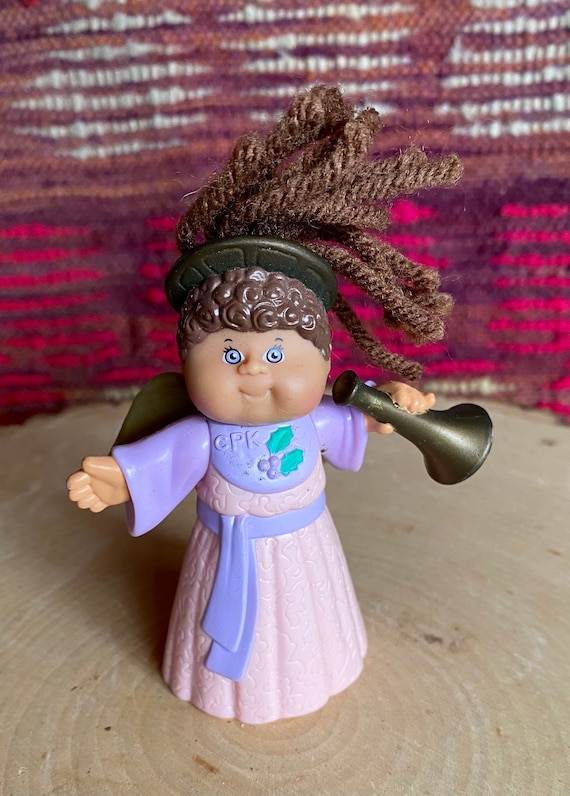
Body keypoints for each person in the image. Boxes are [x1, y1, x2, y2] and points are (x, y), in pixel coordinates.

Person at [67, 85, 461, 723]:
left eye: (276, 353)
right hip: (223, 554)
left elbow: (367, 421)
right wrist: (120, 478)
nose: (253, 371)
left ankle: (321, 664)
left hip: (305, 549)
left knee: (311, 626)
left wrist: (393, 402)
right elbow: (158, 460)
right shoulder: (203, 435)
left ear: (324, 361)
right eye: (229, 354)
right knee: (217, 631)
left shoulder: (315, 421)